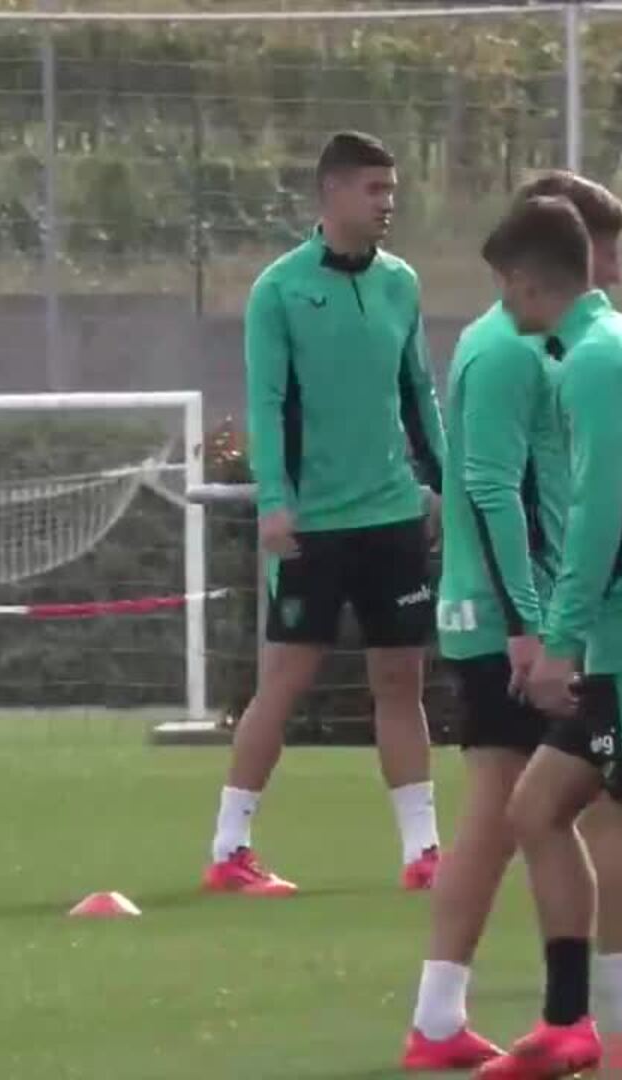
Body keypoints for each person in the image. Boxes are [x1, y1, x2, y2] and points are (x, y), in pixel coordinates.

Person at [408, 172, 622, 1072]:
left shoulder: (593, 361)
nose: (503, 306)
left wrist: (557, 636)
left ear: (528, 281)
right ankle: (576, 1021)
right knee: (539, 807)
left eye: (506, 289)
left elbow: (602, 510)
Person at [207, 130, 447, 898]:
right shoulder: (279, 290)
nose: (387, 203)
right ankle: (229, 848)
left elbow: (419, 392)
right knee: (285, 680)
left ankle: (424, 851)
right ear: (332, 192)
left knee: (400, 679)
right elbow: (268, 403)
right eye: (374, 189)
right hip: (313, 524)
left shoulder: (401, 284)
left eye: (391, 189)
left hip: (392, 516)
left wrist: (442, 484)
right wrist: (276, 503)